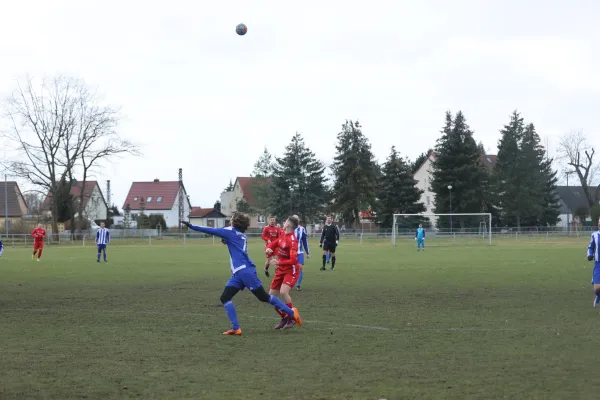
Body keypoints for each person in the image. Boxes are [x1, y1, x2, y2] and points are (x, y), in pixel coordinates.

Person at [180, 213, 302, 335]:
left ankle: (291, 313)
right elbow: (234, 243)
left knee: (263, 297)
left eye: (231, 219)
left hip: (245, 272)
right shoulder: (242, 235)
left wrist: (191, 226)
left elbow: (211, 230)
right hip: (238, 273)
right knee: (225, 297)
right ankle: (236, 328)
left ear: (235, 222)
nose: (230, 220)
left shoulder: (230, 231)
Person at [266, 215, 302, 329]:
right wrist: (269, 247)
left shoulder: (292, 241)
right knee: (271, 297)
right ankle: (284, 317)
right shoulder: (282, 234)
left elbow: (293, 260)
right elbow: (275, 242)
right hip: (281, 270)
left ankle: (291, 318)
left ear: (287, 225)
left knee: (283, 292)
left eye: (285, 221)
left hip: (291, 270)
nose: (283, 222)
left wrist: (278, 263)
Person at [293, 215, 310, 291]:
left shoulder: (302, 229)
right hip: (291, 252)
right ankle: (288, 283)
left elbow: (305, 242)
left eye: (297, 219)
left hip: (300, 252)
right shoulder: (288, 229)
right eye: (294, 219)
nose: (295, 220)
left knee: (300, 267)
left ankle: (298, 284)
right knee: (290, 269)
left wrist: (307, 252)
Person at [587, 221, 600, 307]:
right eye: (599, 222)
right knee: (596, 288)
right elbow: (590, 247)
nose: (599, 224)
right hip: (598, 264)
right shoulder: (594, 235)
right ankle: (598, 296)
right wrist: (589, 254)